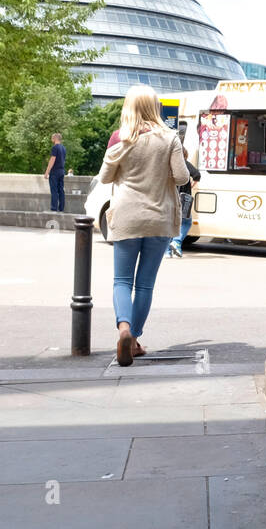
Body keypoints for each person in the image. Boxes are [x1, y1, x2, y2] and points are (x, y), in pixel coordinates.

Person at [99, 84, 189, 366]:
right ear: (155, 107)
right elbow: (183, 177)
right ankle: (134, 340)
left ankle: (123, 330)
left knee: (122, 281)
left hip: (127, 217)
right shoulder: (169, 137)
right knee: (145, 284)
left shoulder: (119, 138)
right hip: (159, 218)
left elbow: (104, 177)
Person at [168, 148, 200, 258]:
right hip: (183, 198)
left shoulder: (166, 163)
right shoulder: (183, 163)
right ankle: (176, 242)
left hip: (168, 197)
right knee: (186, 221)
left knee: (170, 223)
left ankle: (168, 251)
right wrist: (193, 183)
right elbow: (196, 174)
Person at [44, 132, 66, 212]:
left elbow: (52, 160)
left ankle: (54, 208)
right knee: (61, 190)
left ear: (55, 138)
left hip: (55, 172)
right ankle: (61, 208)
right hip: (62, 171)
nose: (51, 139)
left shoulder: (55, 148)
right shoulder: (63, 148)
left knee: (54, 191)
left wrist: (47, 172)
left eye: (52, 138)